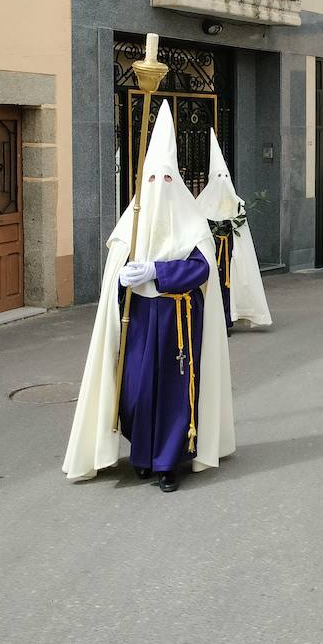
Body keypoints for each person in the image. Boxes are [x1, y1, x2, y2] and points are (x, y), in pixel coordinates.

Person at [63, 104, 235, 492]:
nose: (159, 185)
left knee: (174, 392)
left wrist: (158, 272)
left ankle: (168, 463)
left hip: (179, 321)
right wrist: (123, 276)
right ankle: (142, 455)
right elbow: (115, 275)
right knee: (136, 388)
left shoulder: (193, 223)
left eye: (166, 178)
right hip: (139, 321)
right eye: (152, 178)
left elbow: (203, 268)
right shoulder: (132, 221)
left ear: (176, 182)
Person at [195, 129, 272, 332]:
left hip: (230, 255)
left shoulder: (236, 204)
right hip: (211, 254)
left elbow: (242, 233)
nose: (222, 180)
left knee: (228, 288)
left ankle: (227, 320)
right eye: (218, 176)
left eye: (225, 176)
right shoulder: (200, 203)